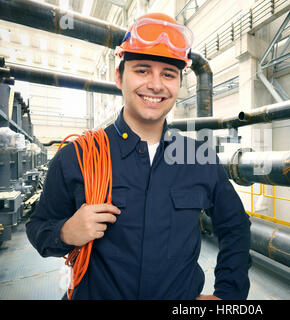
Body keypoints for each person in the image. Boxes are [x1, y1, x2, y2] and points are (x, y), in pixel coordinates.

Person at [26, 12, 251, 300]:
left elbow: (236, 227)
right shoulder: (77, 157)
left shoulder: (198, 158)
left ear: (179, 84)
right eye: (142, 70)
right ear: (119, 76)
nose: (156, 85)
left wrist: (228, 295)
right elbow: (38, 227)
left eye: (168, 74)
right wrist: (66, 233)